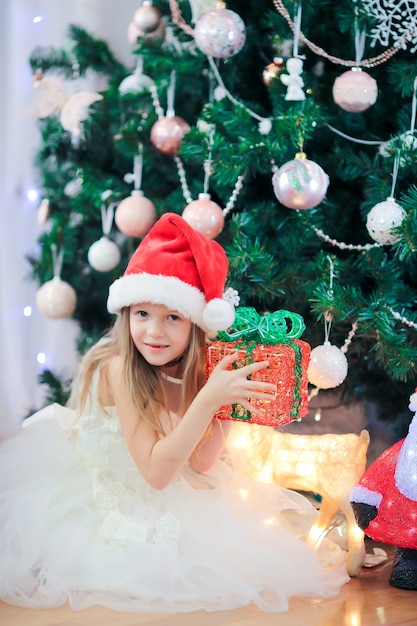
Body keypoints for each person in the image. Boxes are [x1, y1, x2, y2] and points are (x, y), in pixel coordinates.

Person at [0, 213, 349, 613]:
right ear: (126, 314)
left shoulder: (194, 368)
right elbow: (157, 474)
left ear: (196, 325)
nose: (154, 332)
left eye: (172, 317)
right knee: (144, 569)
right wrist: (207, 400)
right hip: (113, 490)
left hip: (160, 487)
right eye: (142, 314)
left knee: (224, 559)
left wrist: (226, 404)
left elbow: (200, 463)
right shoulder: (118, 368)